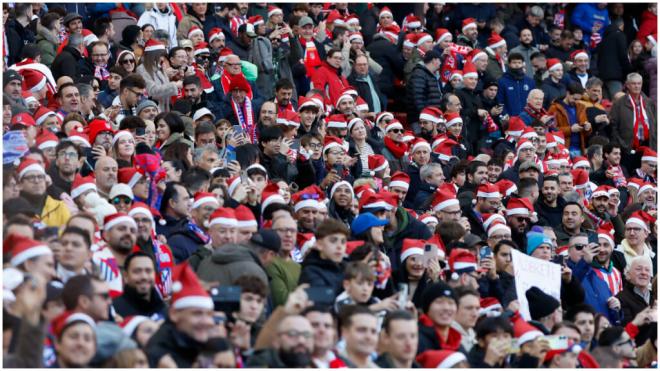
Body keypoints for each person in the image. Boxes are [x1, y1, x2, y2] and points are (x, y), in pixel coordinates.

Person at [112, 252, 166, 319]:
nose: (144, 277)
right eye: (137, 271)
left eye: (148, 271)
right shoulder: (113, 310)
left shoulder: (166, 310)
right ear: (125, 276)